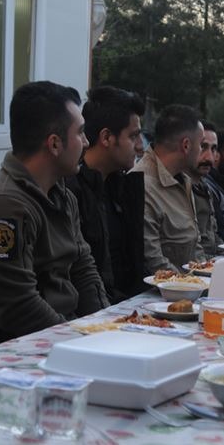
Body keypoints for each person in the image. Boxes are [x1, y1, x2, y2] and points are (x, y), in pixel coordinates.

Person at [0, 81, 109, 349]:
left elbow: (84, 268)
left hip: (61, 335)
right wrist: (80, 343)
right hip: (15, 351)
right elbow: (19, 309)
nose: (86, 143)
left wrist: (105, 328)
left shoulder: (62, 195)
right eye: (81, 133)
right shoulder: (2, 207)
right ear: (54, 144)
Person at [65, 86, 146, 303]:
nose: (141, 147)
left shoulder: (124, 187)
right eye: (134, 136)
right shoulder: (71, 192)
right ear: (107, 137)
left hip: (133, 305)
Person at [130, 105, 205, 272]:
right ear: (186, 145)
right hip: (166, 292)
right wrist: (193, 284)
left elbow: (195, 245)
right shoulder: (142, 184)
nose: (202, 151)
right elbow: (153, 261)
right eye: (201, 145)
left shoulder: (183, 180)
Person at [187, 126, 223, 256]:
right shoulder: (178, 189)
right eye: (203, 147)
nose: (209, 158)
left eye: (213, 149)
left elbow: (213, 236)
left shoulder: (206, 187)